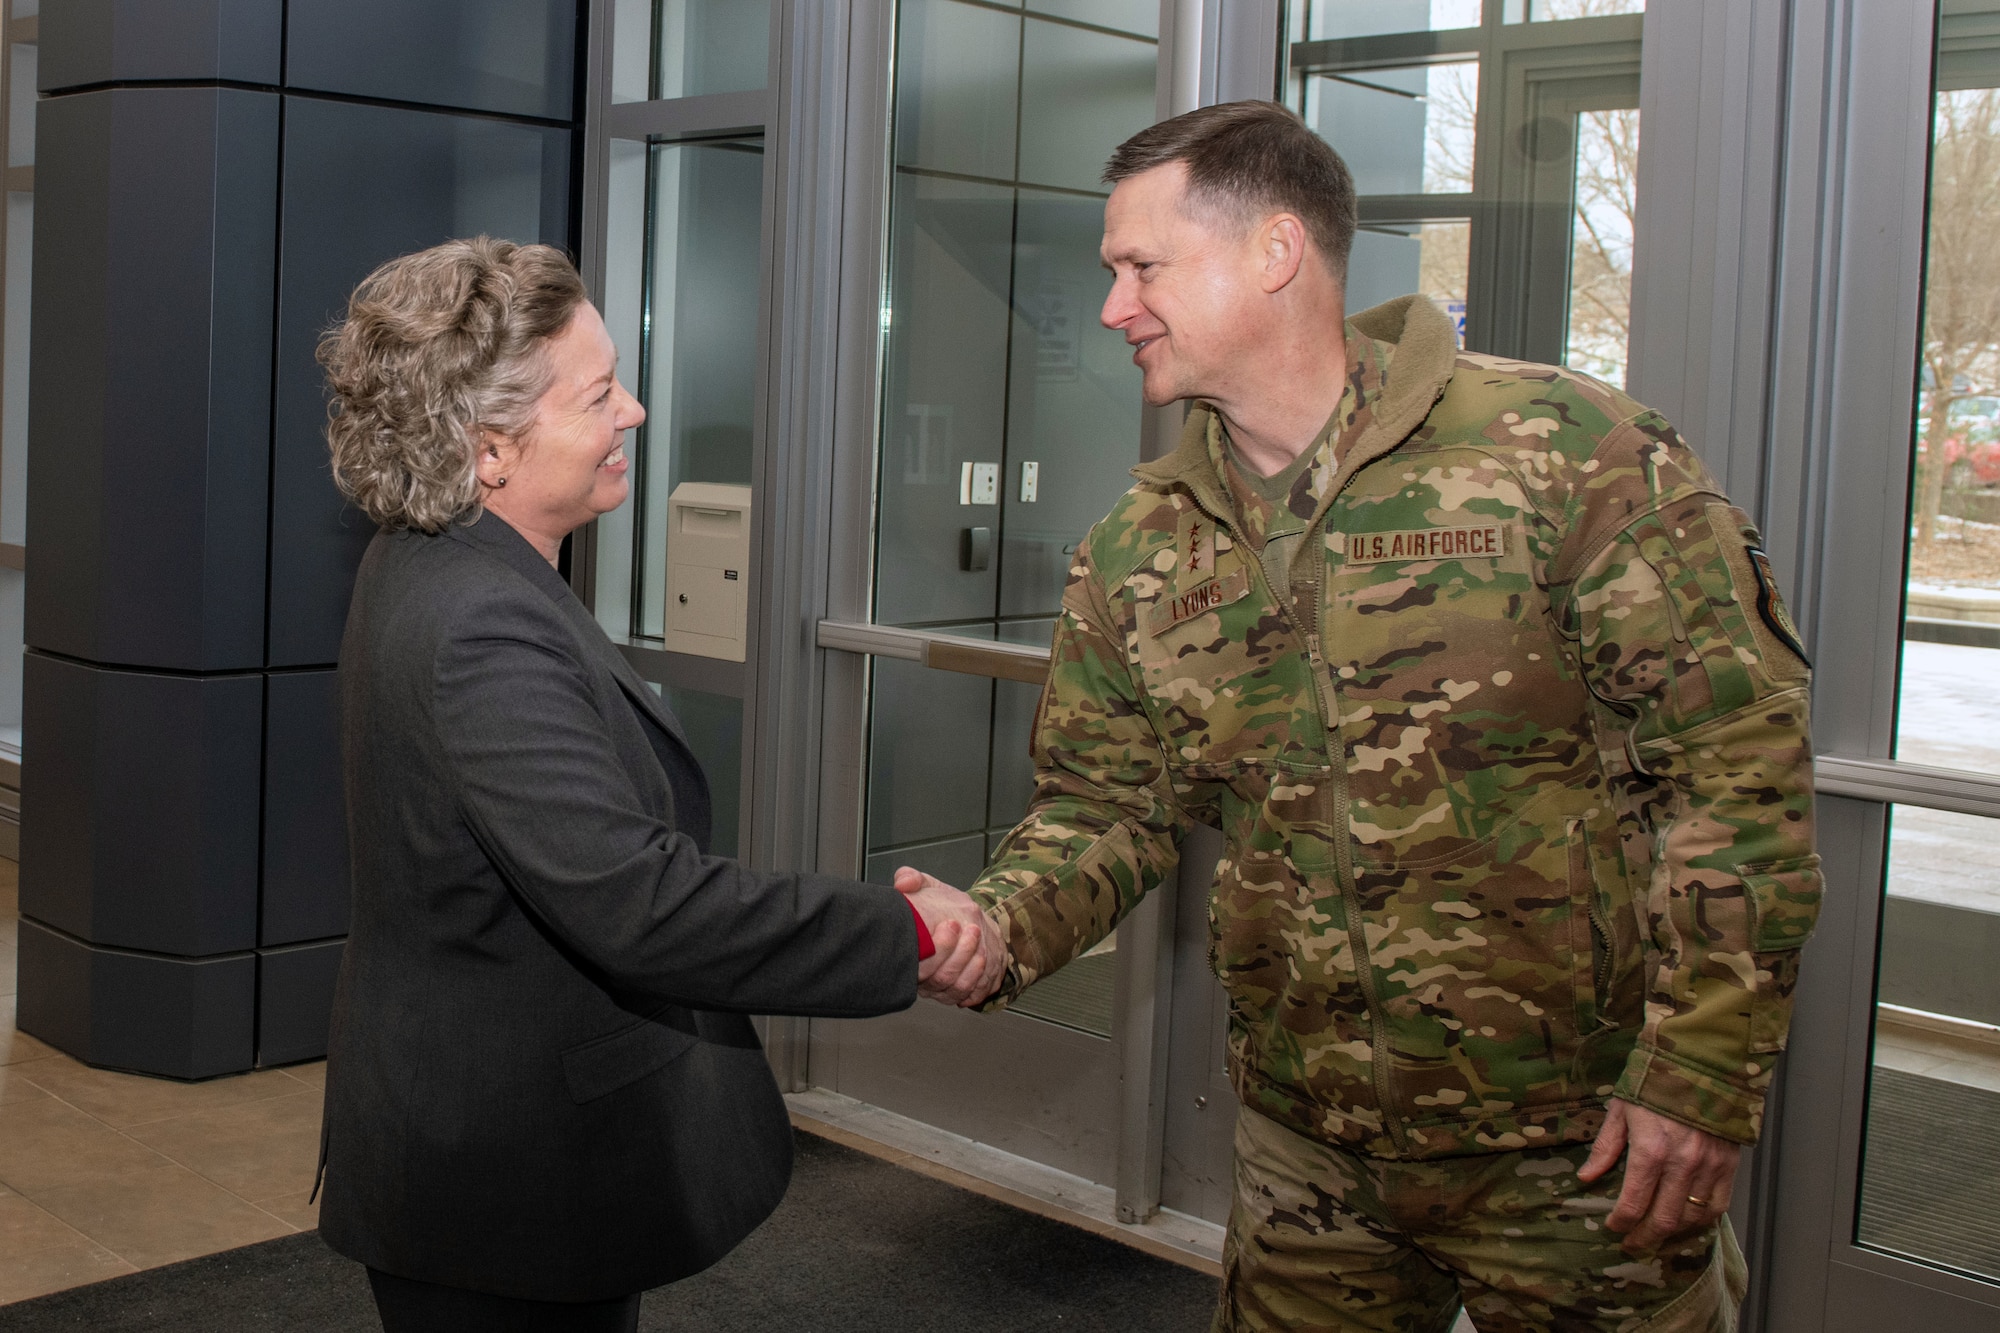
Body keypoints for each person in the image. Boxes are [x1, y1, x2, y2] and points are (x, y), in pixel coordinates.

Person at [921, 102, 1821, 1330]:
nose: (1112, 308)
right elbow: (1107, 807)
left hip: (1580, 1147)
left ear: (1274, 251)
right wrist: (993, 927)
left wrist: (1699, 1074)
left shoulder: (1565, 454)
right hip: (1309, 1150)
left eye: (1141, 268)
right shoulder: (1138, 546)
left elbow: (1731, 775)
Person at [313, 238, 1002, 1333]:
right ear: (488, 448)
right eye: (598, 396)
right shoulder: (480, 624)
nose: (633, 411)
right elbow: (641, 903)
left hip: (487, 1146)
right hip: (502, 1184)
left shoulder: (440, 564)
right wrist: (907, 933)